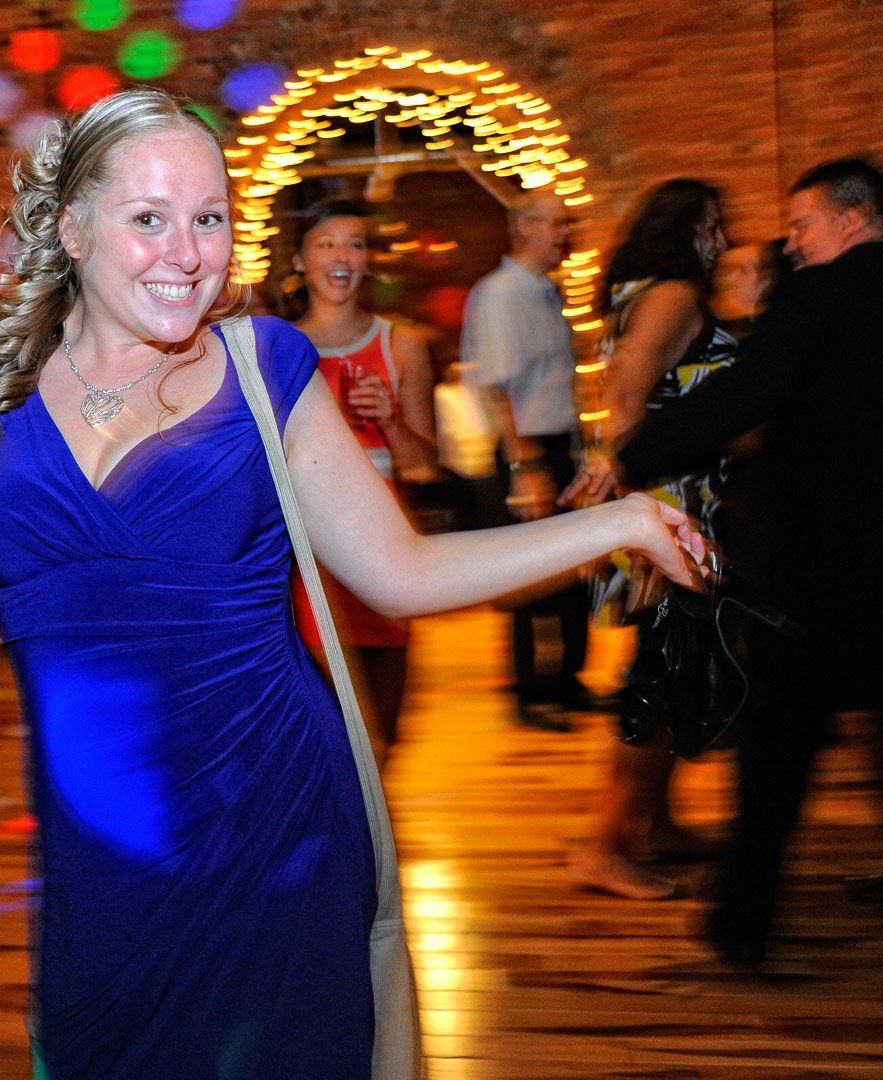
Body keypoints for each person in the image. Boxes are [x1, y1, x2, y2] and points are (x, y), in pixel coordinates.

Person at [0, 89, 701, 1076]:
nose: (188, 253)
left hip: (280, 830)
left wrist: (616, 523)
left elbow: (401, 573)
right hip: (99, 862)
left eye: (210, 218)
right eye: (149, 218)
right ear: (72, 228)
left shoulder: (267, 366)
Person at [578, 159, 883, 962]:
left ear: (854, 216)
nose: (791, 244)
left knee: (779, 747)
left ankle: (743, 926)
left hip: (821, 572)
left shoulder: (812, 304)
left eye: (802, 225)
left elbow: (733, 399)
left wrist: (627, 460)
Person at [563, 179, 736, 901]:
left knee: (672, 668)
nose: (722, 238)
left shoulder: (642, 292)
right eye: (714, 224)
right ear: (689, 228)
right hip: (666, 512)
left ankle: (657, 823)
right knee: (657, 680)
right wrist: (633, 509)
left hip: (661, 507)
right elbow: (628, 395)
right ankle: (605, 845)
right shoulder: (673, 295)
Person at [285, 198, 437, 750]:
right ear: (300, 261)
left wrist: (391, 420)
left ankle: (368, 835)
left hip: (382, 547)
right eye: (326, 243)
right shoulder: (277, 351)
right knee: (318, 729)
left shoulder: (403, 345)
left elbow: (423, 463)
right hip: (305, 557)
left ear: (368, 259)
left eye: (354, 243)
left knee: (383, 730)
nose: (342, 256)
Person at [462, 190, 592, 730]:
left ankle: (566, 681)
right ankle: (529, 692)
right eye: (557, 224)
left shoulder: (549, 292)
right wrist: (525, 465)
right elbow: (496, 389)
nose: (566, 233)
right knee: (525, 574)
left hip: (559, 444)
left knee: (569, 571)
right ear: (525, 227)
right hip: (528, 448)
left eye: (568, 223)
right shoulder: (499, 294)